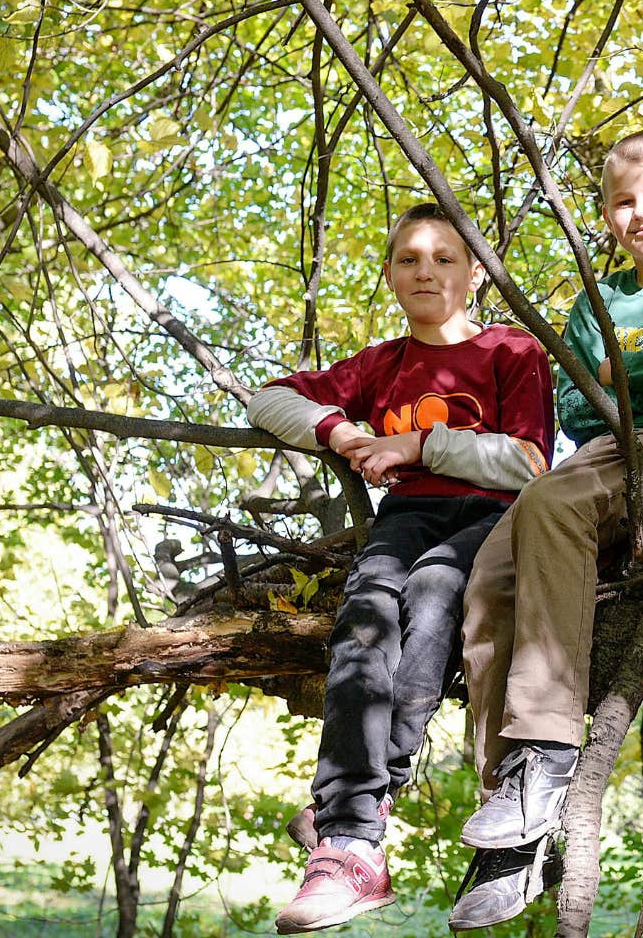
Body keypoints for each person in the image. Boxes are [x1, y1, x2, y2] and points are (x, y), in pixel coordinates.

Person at [447, 129, 643, 929]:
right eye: (624, 201)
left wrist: (622, 369)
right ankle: (513, 824)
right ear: (605, 216)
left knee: (552, 505)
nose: (642, 212)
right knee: (489, 577)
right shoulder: (596, 302)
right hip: (600, 454)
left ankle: (547, 756)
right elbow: (578, 403)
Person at [248, 202, 555, 934]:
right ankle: (352, 841)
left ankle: (351, 816)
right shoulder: (380, 365)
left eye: (444, 258)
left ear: (475, 273)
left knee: (436, 591)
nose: (426, 271)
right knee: (365, 616)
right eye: (409, 259)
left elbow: (529, 463)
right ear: (389, 273)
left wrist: (420, 444)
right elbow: (269, 399)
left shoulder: (512, 350)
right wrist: (340, 430)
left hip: (495, 518)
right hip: (407, 516)